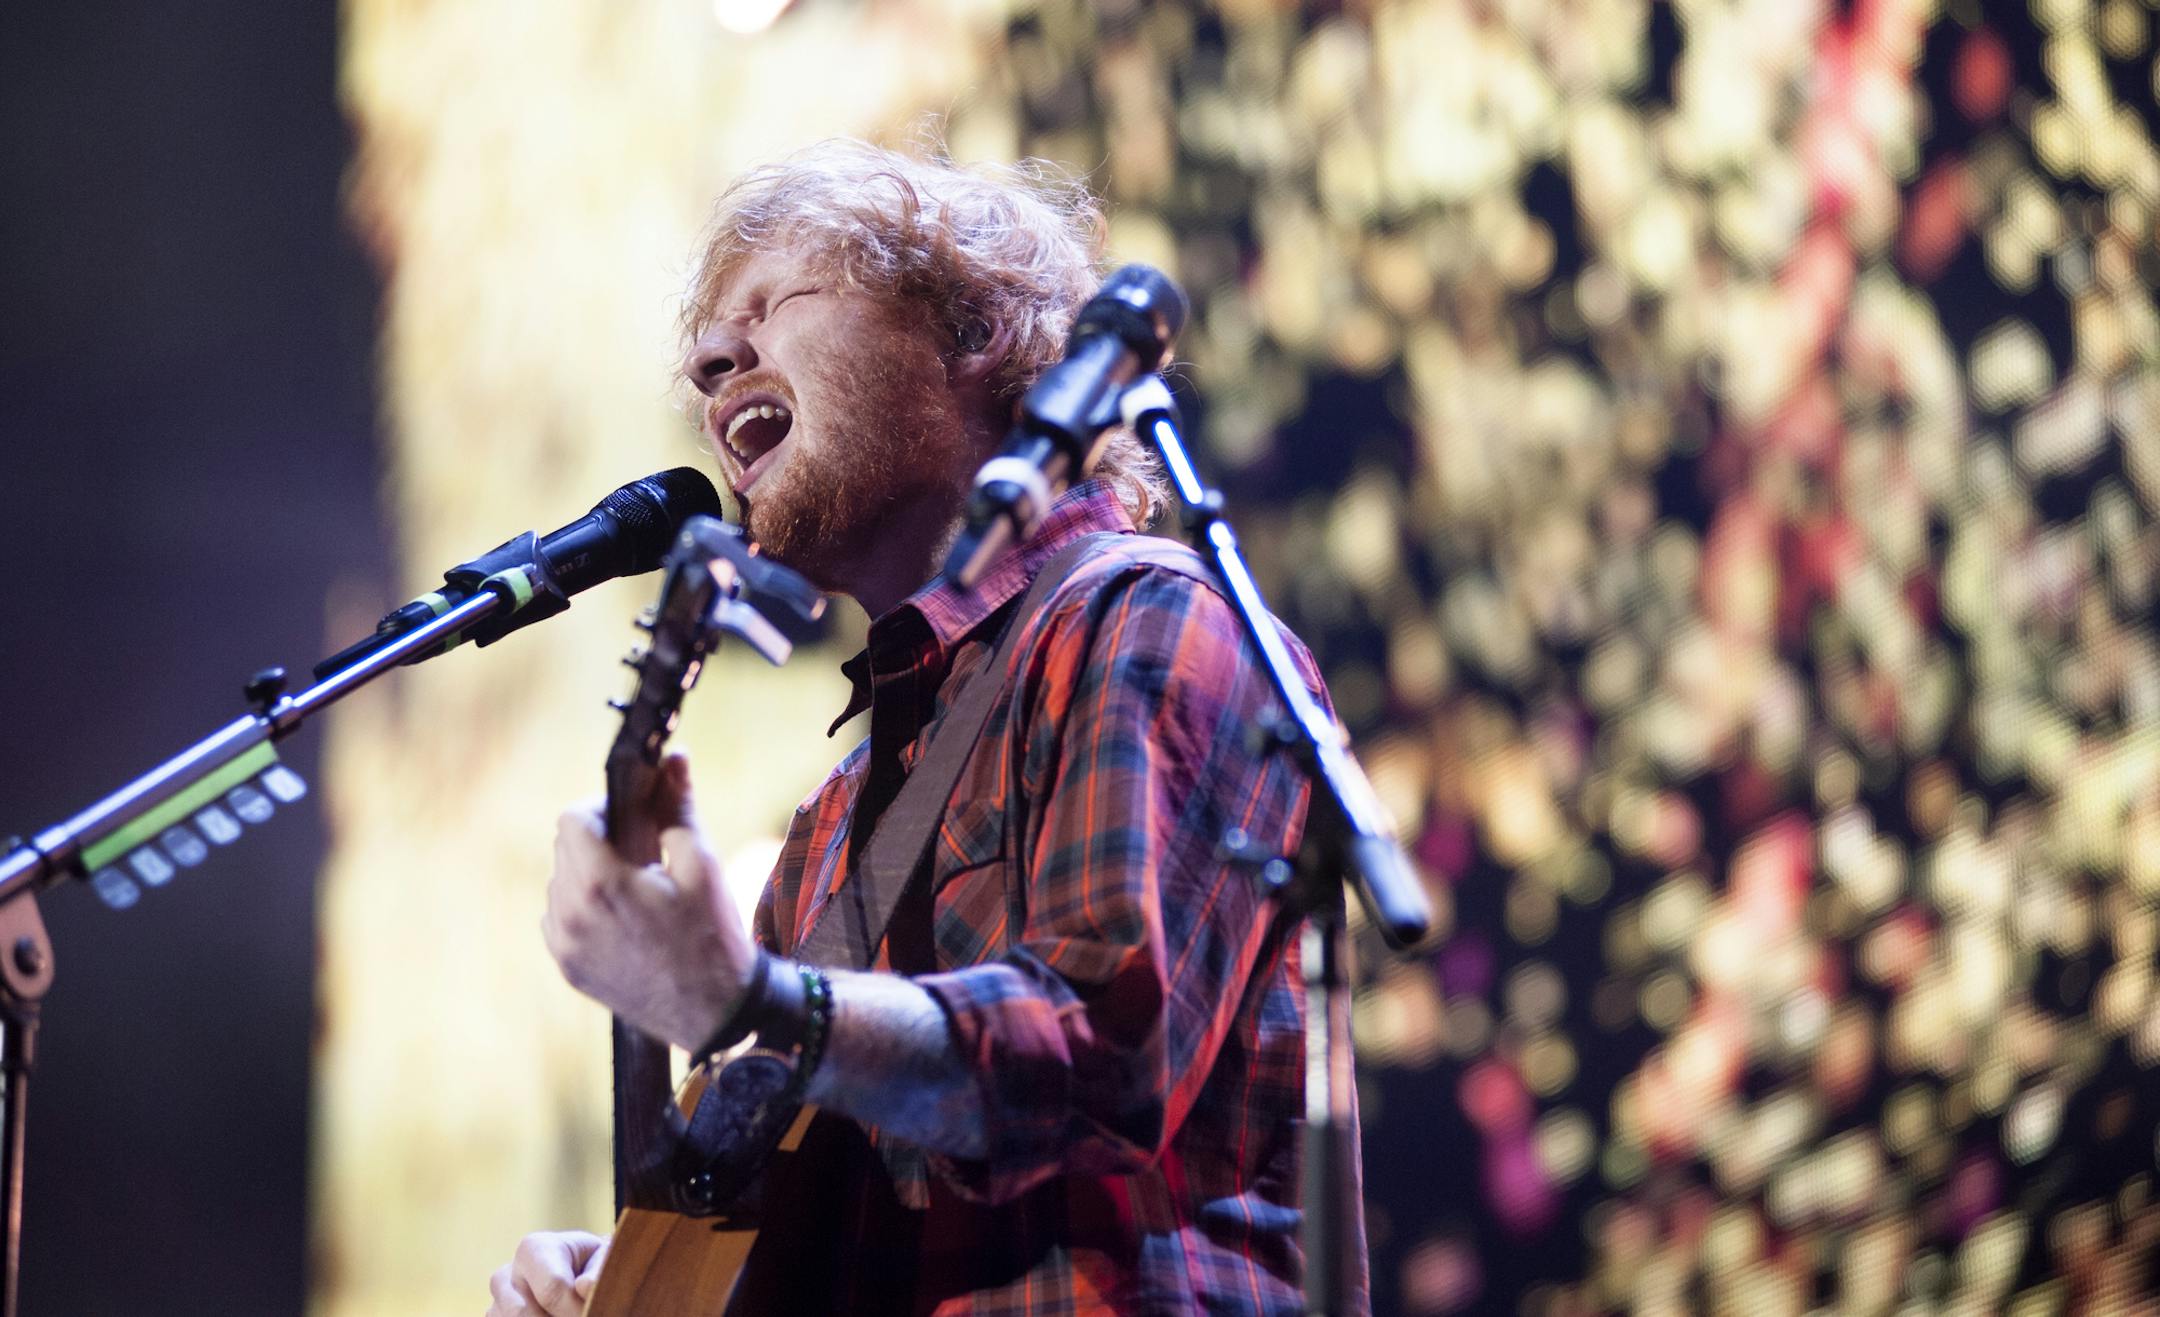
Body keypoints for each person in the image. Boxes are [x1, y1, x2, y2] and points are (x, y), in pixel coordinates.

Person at [485, 140, 1368, 1316]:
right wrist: (624, 1273)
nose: (710, 363)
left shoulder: (1144, 620)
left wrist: (748, 1000)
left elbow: (1102, 1066)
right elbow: (795, 1202)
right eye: (706, 347)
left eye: (775, 303)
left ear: (972, 336)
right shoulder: (836, 820)